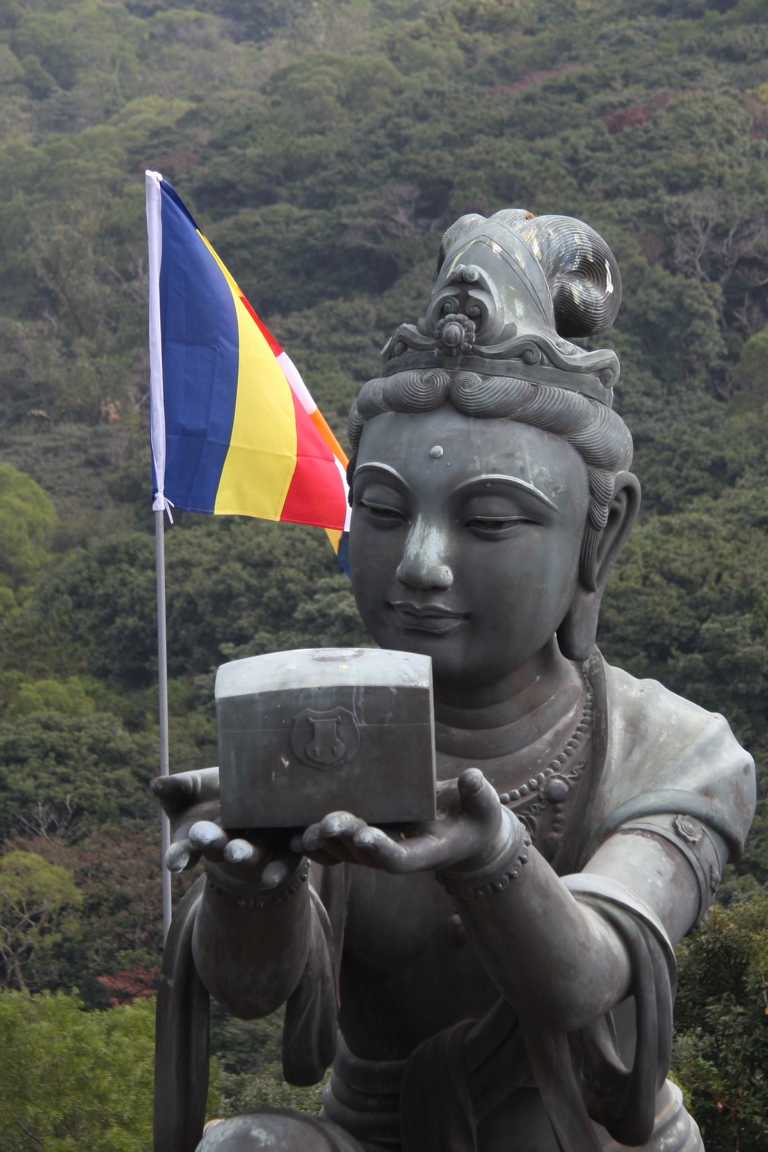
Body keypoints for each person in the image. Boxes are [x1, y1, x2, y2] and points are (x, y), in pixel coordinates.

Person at [152, 210, 756, 1152]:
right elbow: (251, 996)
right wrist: (249, 886)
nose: (420, 564)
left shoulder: (676, 750)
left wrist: (490, 857)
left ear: (600, 535)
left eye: (488, 522)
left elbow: (586, 979)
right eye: (385, 511)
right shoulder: (317, 734)